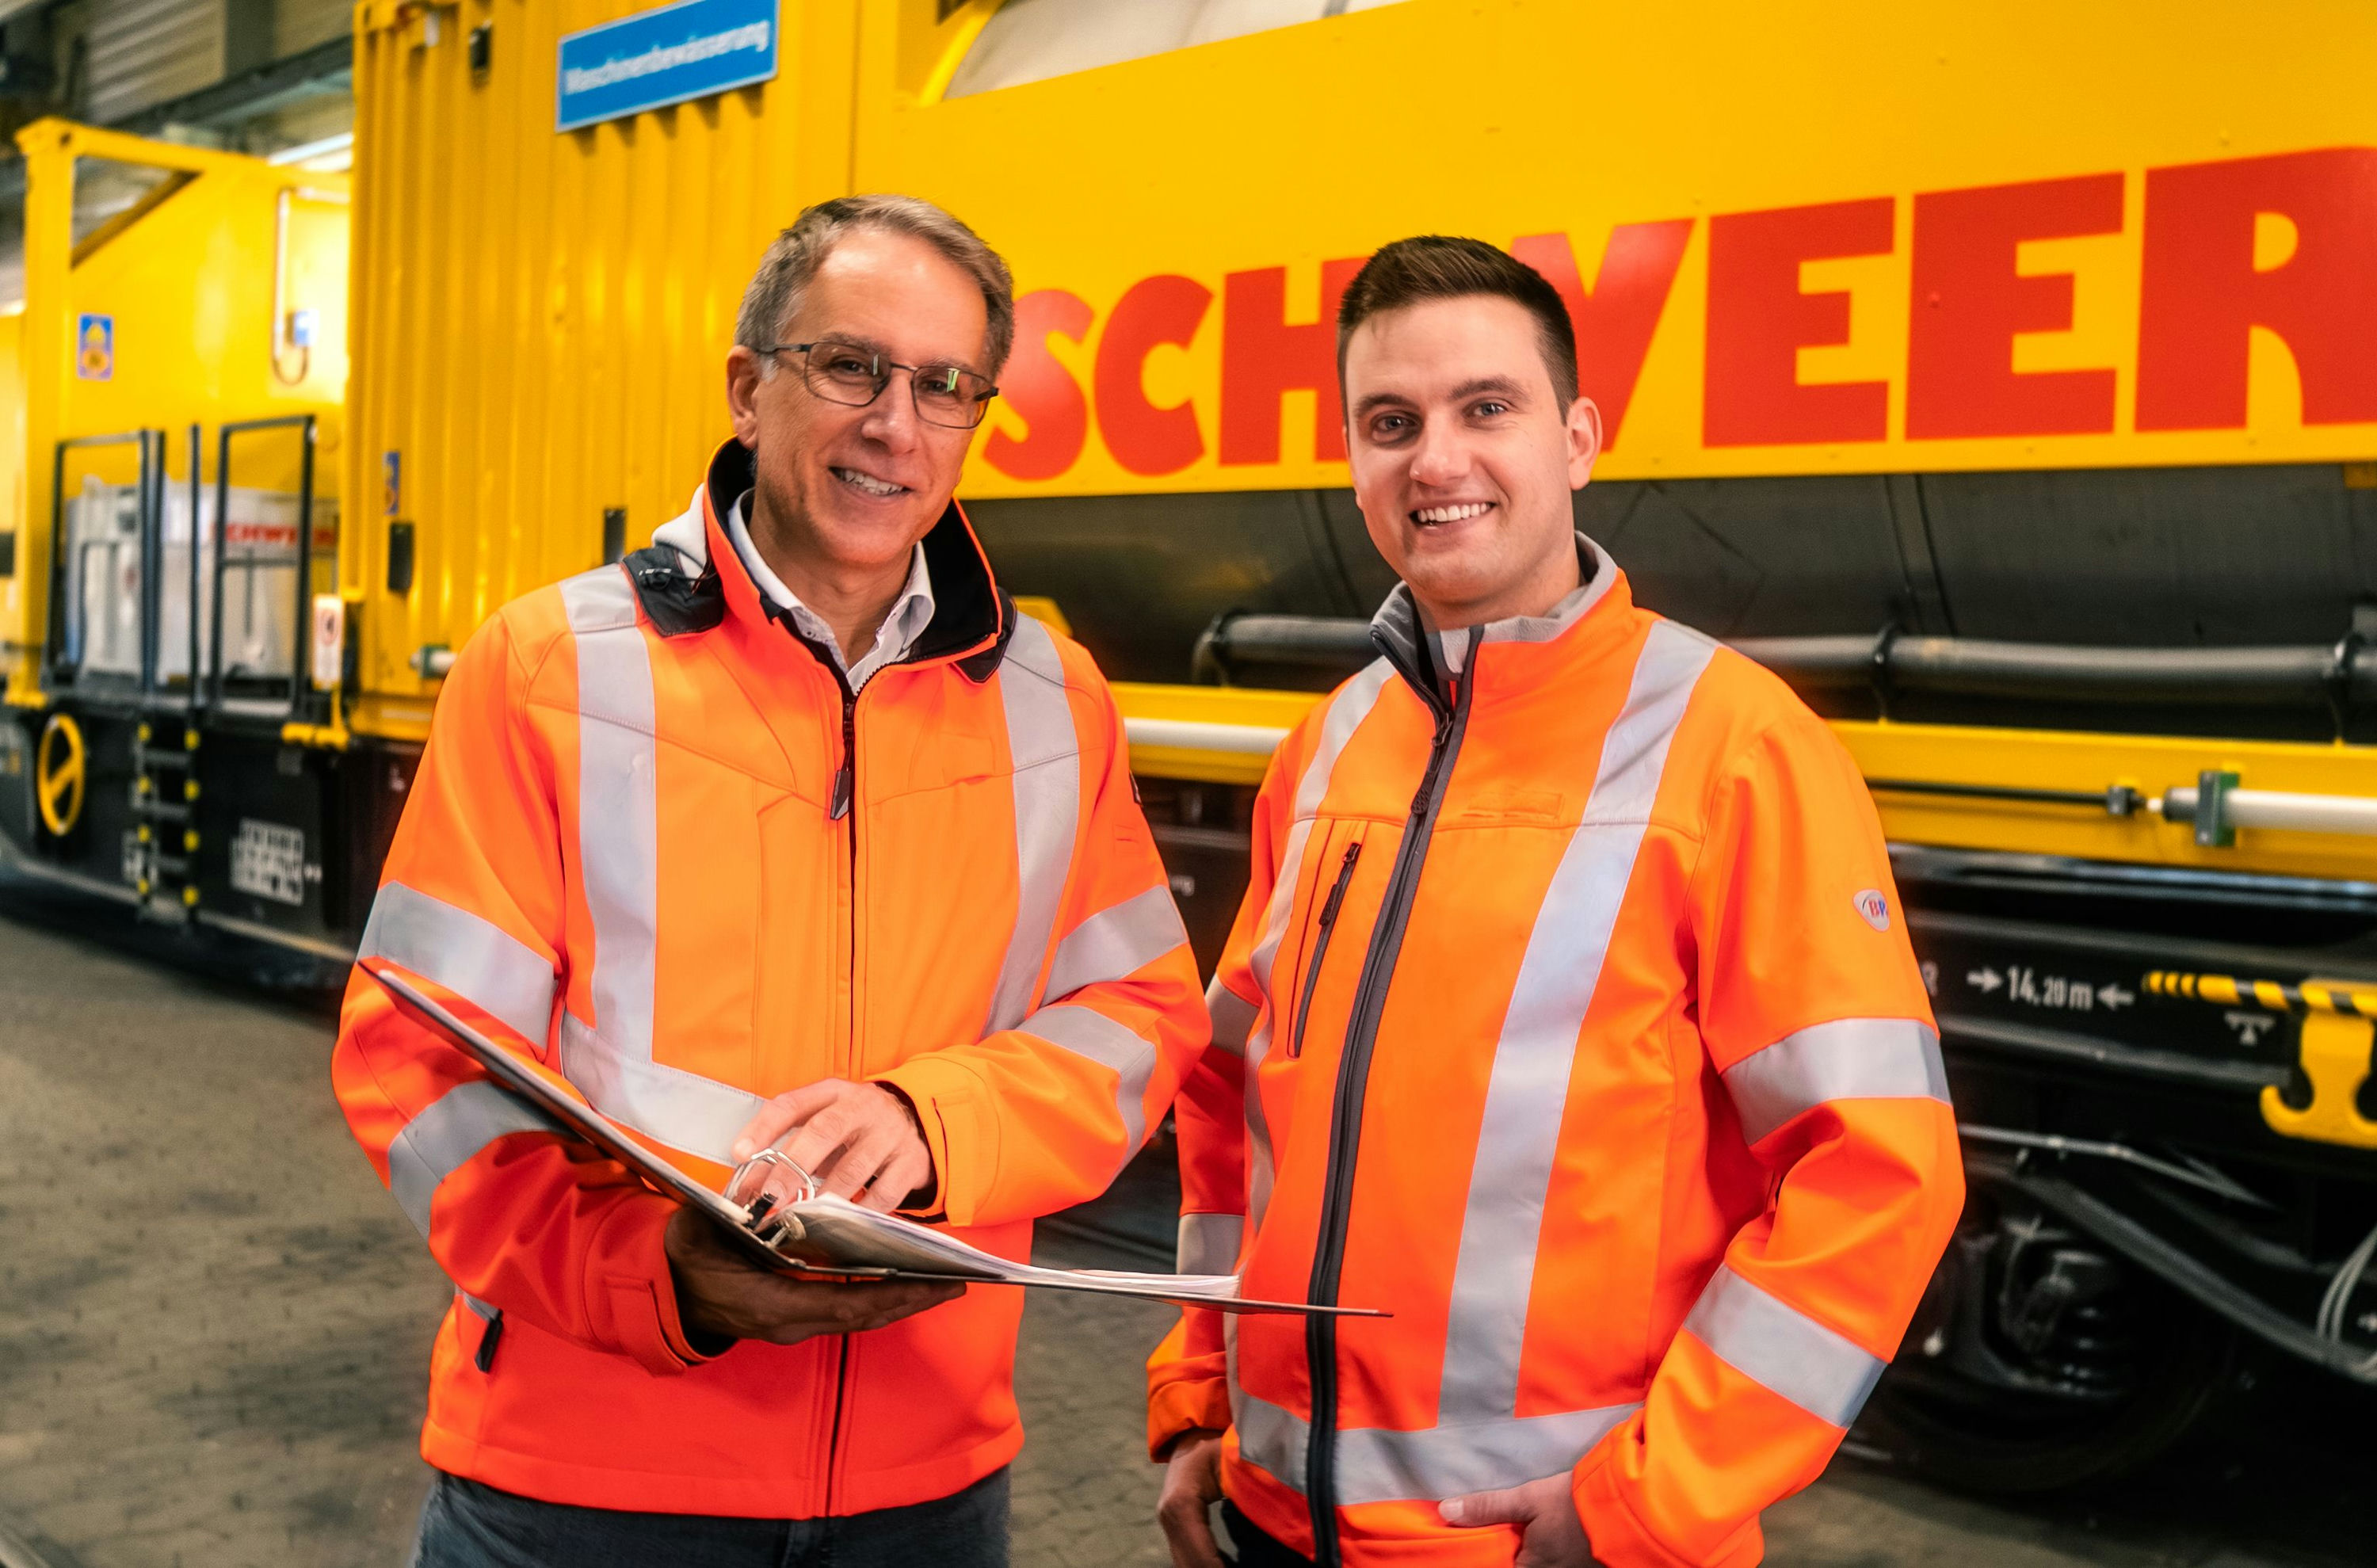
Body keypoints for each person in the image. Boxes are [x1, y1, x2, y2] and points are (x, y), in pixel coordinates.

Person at [334, 194, 1207, 1567]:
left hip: (921, 1494)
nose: (897, 424)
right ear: (749, 390)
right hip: (584, 1484)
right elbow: (419, 1062)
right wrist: (655, 1277)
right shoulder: (550, 671)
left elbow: (1139, 1018)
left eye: (945, 387)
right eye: (851, 366)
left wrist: (934, 1122)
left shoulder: (1054, 701)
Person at [1147, 236, 1963, 1568]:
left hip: (1554, 1548)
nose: (1437, 460)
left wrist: (1647, 1504)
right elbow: (1233, 1100)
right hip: (1273, 1523)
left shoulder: (1734, 747)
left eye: (1487, 407)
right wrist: (1199, 1392)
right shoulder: (1331, 746)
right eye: (1391, 423)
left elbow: (1877, 1172)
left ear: (1578, 439)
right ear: (1352, 457)